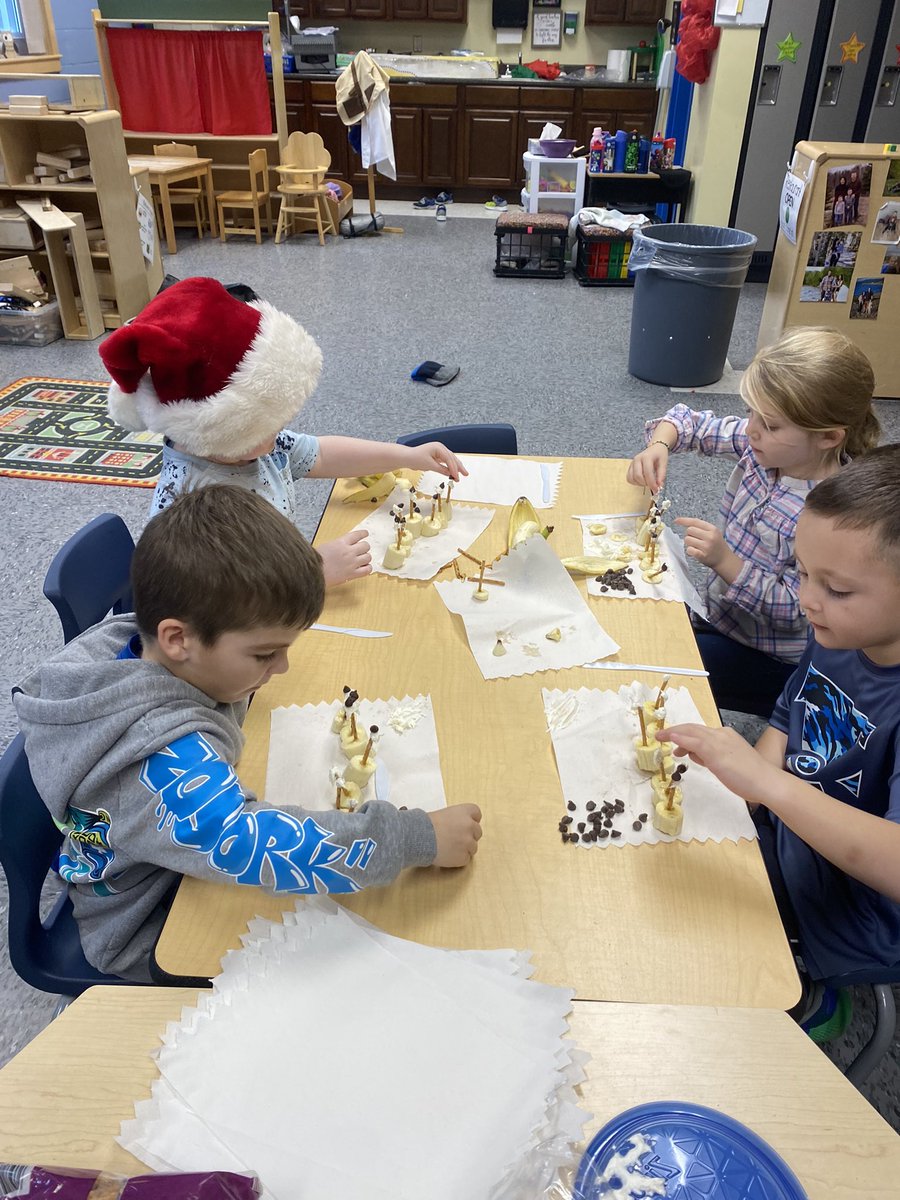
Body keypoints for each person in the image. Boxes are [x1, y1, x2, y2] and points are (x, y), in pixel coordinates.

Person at [13, 486, 483, 982]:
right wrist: (415, 838)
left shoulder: (141, 642)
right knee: (376, 968)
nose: (282, 667)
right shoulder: (163, 759)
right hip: (146, 922)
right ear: (178, 639)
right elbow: (254, 845)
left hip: (162, 854)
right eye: (263, 654)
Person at [659, 446, 900, 1004]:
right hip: (792, 827)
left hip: (857, 905)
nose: (807, 600)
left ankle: (819, 987)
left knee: (695, 950)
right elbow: (791, 712)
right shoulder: (839, 631)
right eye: (804, 574)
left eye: (836, 589)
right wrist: (749, 791)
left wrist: (768, 786)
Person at [98, 278, 467, 587]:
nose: (278, 435)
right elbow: (216, 604)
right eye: (266, 426)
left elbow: (321, 454)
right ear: (216, 430)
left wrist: (407, 455)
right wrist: (313, 571)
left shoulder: (251, 446)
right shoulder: (187, 505)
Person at [626, 328, 879, 717]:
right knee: (639, 620)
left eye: (771, 424)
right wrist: (660, 443)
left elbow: (801, 610)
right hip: (721, 615)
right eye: (750, 413)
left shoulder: (834, 515)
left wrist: (725, 562)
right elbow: (689, 421)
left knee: (653, 667)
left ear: (828, 437)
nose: (751, 429)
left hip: (770, 656)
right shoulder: (764, 444)